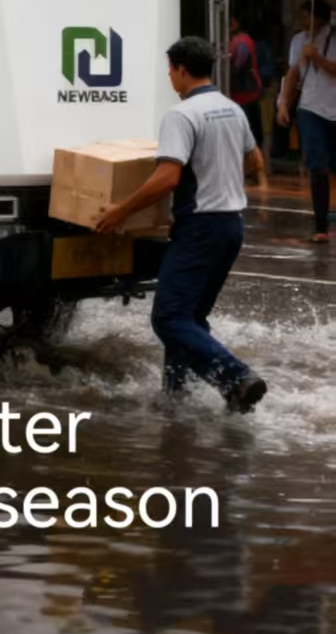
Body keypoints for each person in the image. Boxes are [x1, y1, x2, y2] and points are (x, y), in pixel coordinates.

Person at [95, 36, 267, 413]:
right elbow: (255, 161)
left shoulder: (182, 114)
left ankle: (236, 377)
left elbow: (167, 177)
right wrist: (221, 180)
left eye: (170, 70)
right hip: (230, 227)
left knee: (169, 318)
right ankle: (176, 396)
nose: (170, 77)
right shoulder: (232, 109)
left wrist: (121, 211)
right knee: (190, 318)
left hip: (200, 228)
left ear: (181, 70)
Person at [278, 0, 336, 242]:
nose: (303, 21)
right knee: (316, 165)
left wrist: (317, 57)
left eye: (307, 16)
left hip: (333, 109)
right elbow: (293, 73)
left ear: (321, 17)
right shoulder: (299, 40)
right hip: (309, 109)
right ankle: (320, 225)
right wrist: (283, 103)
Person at [228, 16, 265, 155]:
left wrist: (232, 68)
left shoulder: (241, 40)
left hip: (244, 92)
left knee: (248, 129)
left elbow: (240, 59)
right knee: (252, 127)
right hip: (247, 92)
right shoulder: (242, 39)